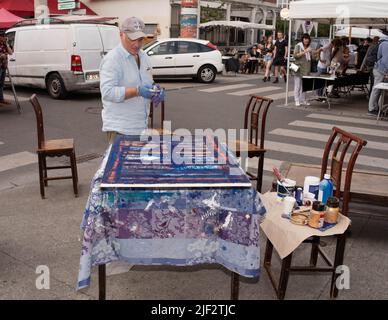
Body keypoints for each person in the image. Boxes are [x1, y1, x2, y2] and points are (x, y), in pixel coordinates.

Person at [99, 16, 165, 144]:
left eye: (140, 39)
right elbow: (107, 92)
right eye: (132, 39)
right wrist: (137, 91)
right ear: (121, 35)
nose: (136, 44)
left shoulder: (144, 56)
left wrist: (155, 90)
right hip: (121, 130)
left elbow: (148, 83)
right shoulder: (112, 59)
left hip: (141, 127)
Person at [367, 37, 388, 116]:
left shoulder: (383, 43)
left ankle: (376, 108)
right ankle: (372, 109)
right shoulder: (386, 44)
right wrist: (386, 72)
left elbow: (380, 57)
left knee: (378, 90)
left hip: (379, 68)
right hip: (381, 70)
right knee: (377, 90)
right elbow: (386, 60)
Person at [292, 33, 314, 106]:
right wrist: (305, 51)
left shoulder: (309, 47)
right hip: (298, 68)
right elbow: (295, 56)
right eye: (305, 39)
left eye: (307, 39)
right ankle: (296, 100)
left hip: (306, 69)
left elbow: (311, 58)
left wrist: (314, 53)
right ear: (302, 39)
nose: (306, 40)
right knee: (297, 85)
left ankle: (303, 99)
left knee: (305, 86)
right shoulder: (298, 46)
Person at [0, 30, 13, 105]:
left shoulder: (5, 44)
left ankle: (1, 99)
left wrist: (7, 44)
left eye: (4, 36)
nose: (4, 38)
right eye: (2, 36)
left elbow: (10, 52)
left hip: (4, 66)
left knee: (1, 84)